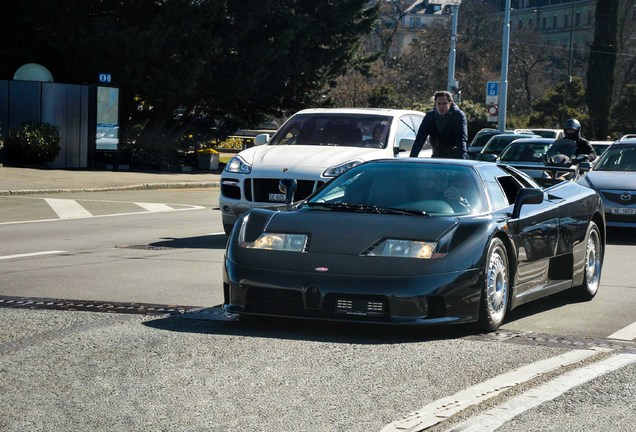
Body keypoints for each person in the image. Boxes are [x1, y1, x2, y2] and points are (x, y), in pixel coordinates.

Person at [410, 90, 468, 159]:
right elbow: (420, 139)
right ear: (435, 104)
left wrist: (461, 162)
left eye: (444, 103)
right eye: (439, 104)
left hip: (453, 157)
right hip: (436, 156)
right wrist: (412, 159)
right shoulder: (430, 116)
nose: (441, 107)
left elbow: (461, 140)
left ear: (450, 103)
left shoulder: (458, 115)